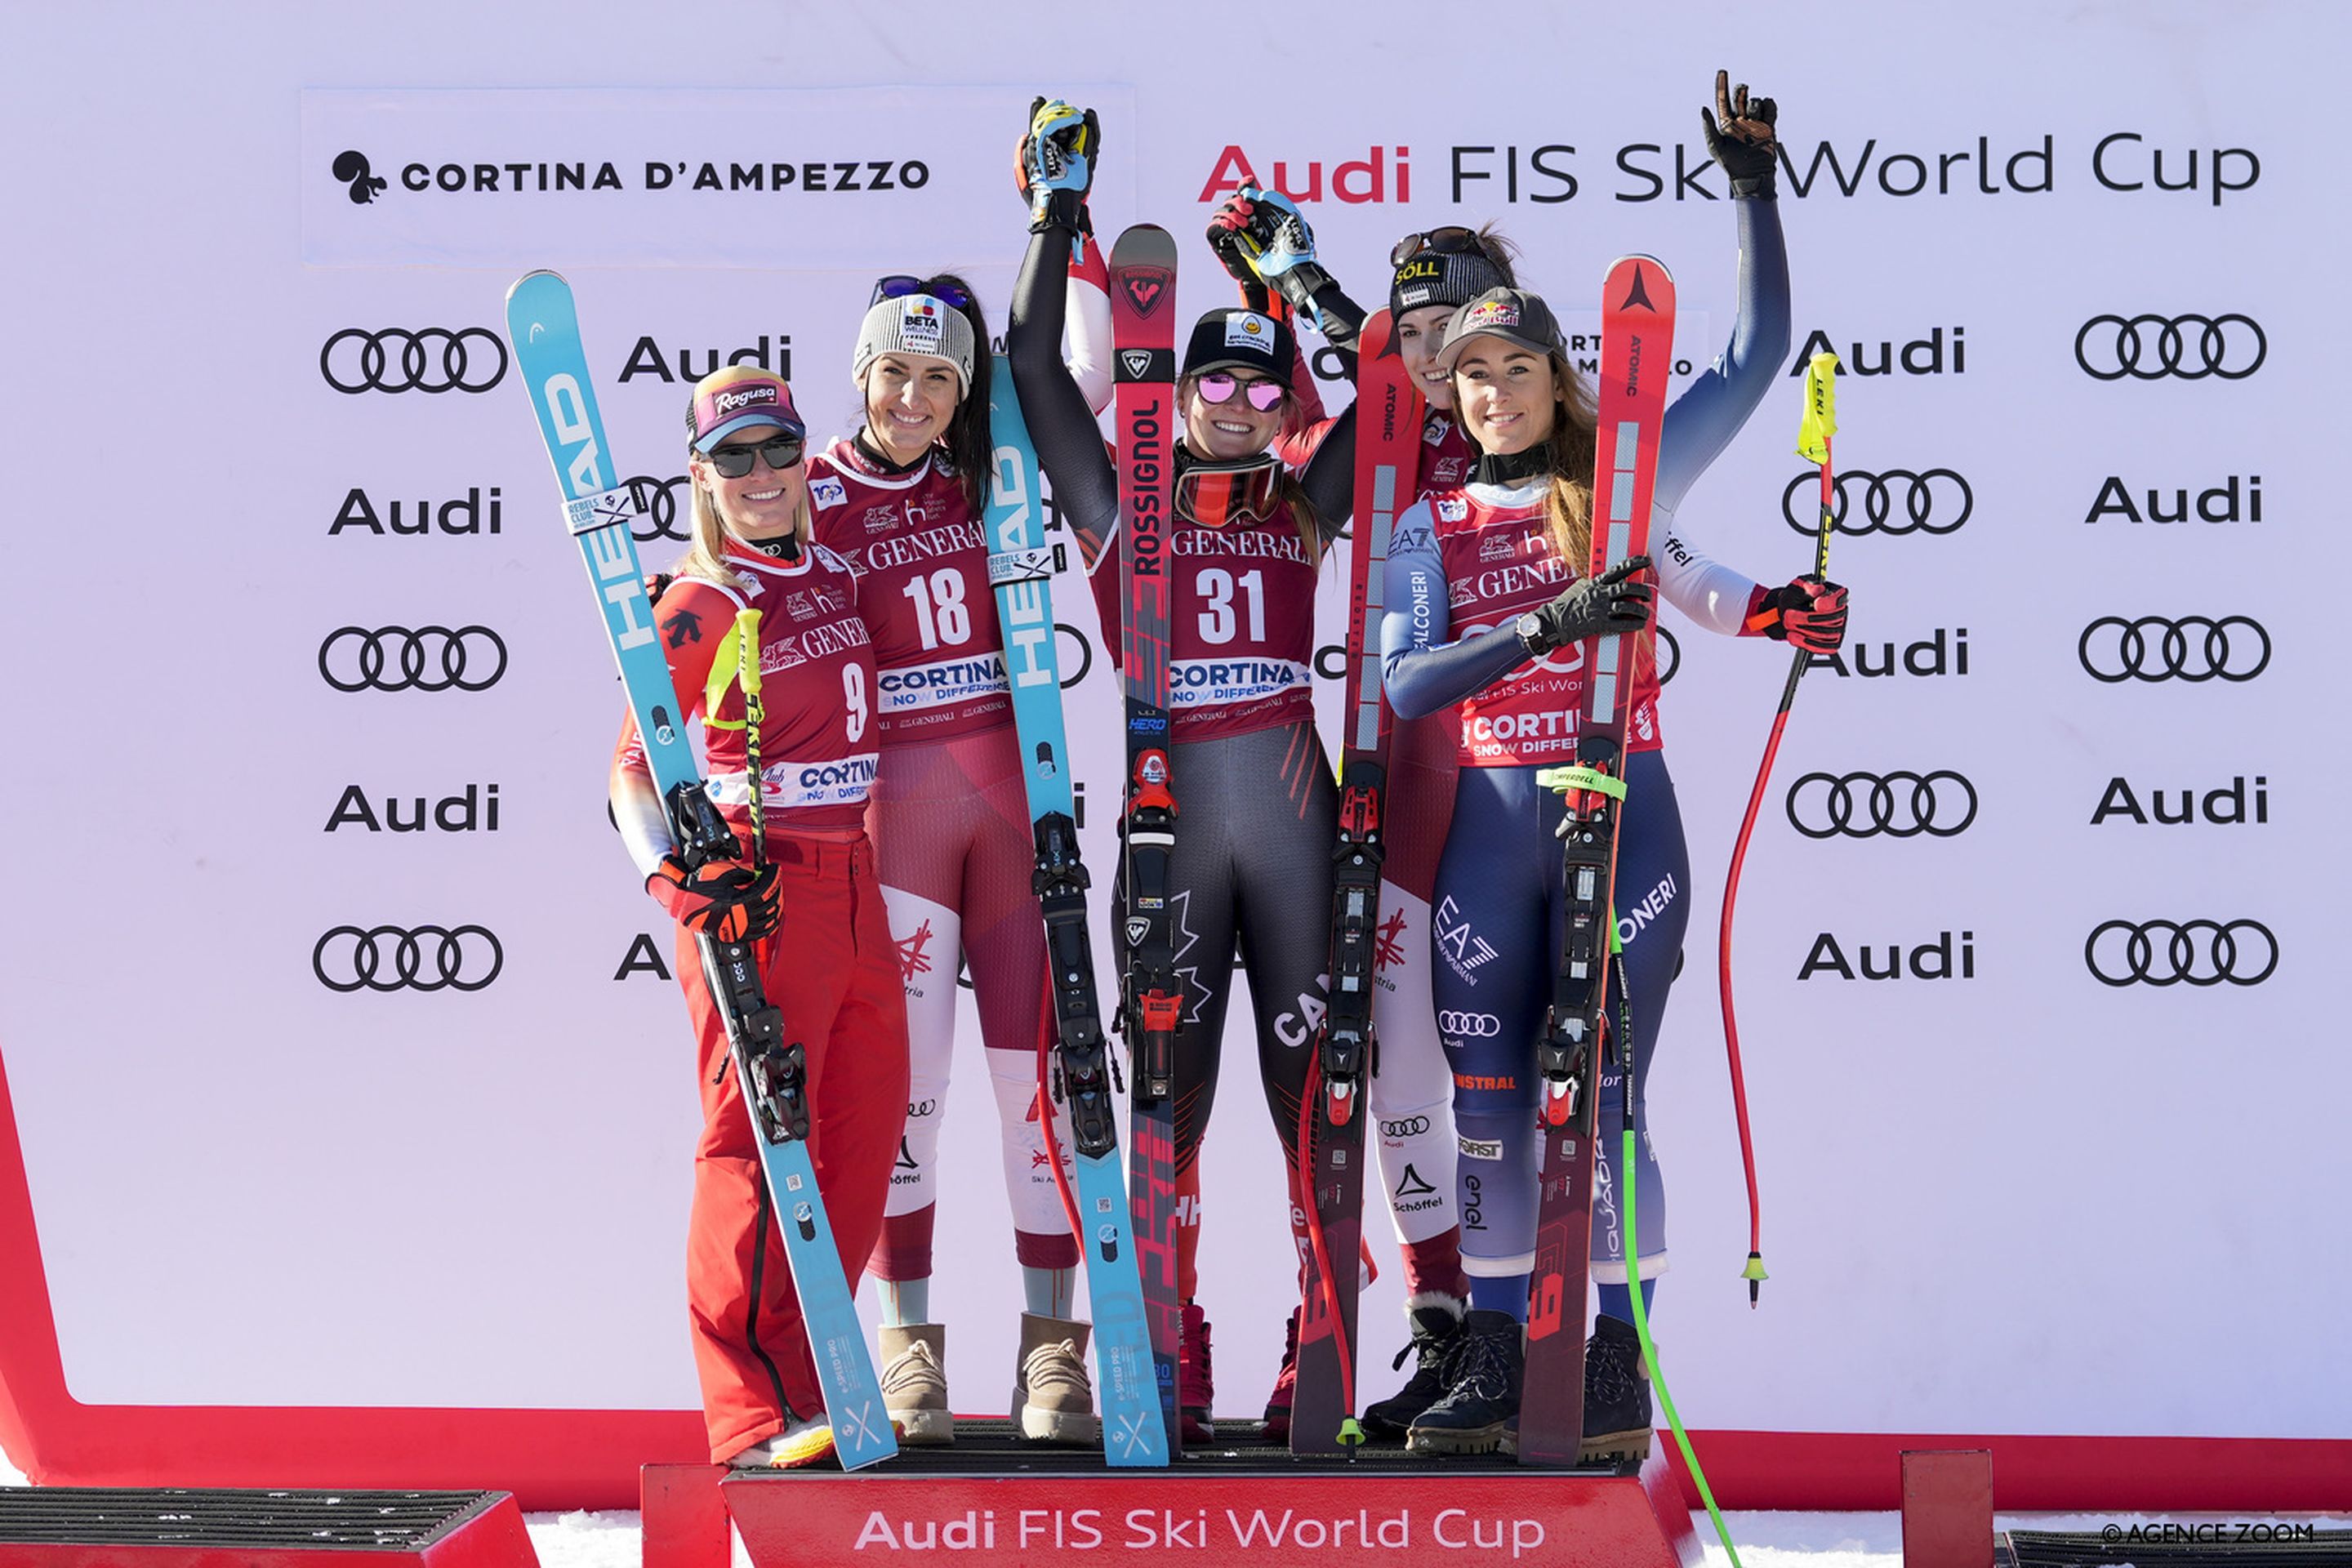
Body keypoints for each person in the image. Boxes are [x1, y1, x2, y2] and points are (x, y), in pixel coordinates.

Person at [1379, 74, 1849, 1459]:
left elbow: (1758, 355)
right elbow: (1410, 685)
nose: (1496, 393)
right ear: (1449, 392)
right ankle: (1498, 1360)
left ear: (1556, 375)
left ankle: (1612, 1361)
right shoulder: (1430, 516)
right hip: (1488, 833)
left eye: (1518, 369)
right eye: (1471, 375)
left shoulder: (1633, 477)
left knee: (1611, 1099)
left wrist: (1754, 188)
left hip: (1621, 820)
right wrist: (1546, 621)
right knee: (1490, 1108)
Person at [1007, 99, 1356, 1444]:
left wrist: (1292, 279)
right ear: (1175, 390)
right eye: (1217, 380)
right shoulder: (1124, 506)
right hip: (1171, 841)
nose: (1243, 405)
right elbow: (1037, 370)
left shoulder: (1305, 502)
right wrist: (1056, 212)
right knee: (1170, 1104)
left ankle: (1313, 1342)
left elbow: (1386, 389)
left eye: (1267, 391)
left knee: (1313, 1102)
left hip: (1293, 829)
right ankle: (1171, 1342)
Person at [1201, 194, 1530, 1441]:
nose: (1449, 359)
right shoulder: (1385, 427)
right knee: (1394, 1072)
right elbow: (1329, 395)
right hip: (1395, 782)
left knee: (1500, 1078)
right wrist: (1287, 288)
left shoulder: (1539, 423)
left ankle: (1524, 1331)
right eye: (1426, 332)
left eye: (1471, 330)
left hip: (1513, 780)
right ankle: (1446, 1332)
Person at [808, 271, 1102, 1446]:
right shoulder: (811, 486)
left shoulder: (997, 470)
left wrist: (1067, 243)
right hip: (901, 821)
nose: (916, 397)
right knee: (906, 1097)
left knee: (1040, 1093)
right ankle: (909, 1353)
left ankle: (1052, 1359)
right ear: (862, 373)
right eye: (896, 372)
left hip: (1014, 801)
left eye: (940, 377)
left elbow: (1082, 383)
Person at [608, 365, 911, 1470]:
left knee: (856, 1143)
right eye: (733, 457)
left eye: (777, 448)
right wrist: (679, 885)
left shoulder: (831, 572)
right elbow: (630, 777)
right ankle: (746, 1412)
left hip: (855, 881)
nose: (763, 475)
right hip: (760, 888)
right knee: (751, 1144)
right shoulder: (701, 601)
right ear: (701, 476)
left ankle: (819, 1373)